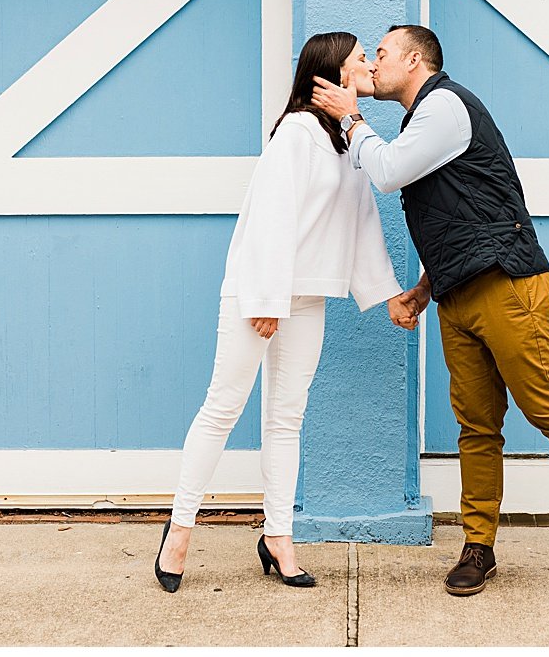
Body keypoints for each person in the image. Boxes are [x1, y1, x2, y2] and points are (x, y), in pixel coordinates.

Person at [310, 24, 549, 601]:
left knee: (548, 407)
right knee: (476, 426)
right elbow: (462, 217)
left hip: (509, 286)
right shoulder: (423, 123)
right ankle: (478, 546)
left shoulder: (446, 107)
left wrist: (349, 117)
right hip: (458, 295)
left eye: (382, 54)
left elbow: (385, 173)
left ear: (415, 61)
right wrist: (421, 291)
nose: (375, 62)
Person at [154, 31, 413, 594]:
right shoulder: (296, 134)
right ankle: (178, 529)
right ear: (334, 75)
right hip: (258, 293)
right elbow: (269, 217)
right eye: (361, 58)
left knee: (286, 419)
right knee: (222, 408)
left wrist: (389, 292)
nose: (369, 64)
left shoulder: (348, 143)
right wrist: (266, 299)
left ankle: (278, 537)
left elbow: (362, 223)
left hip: (308, 296)